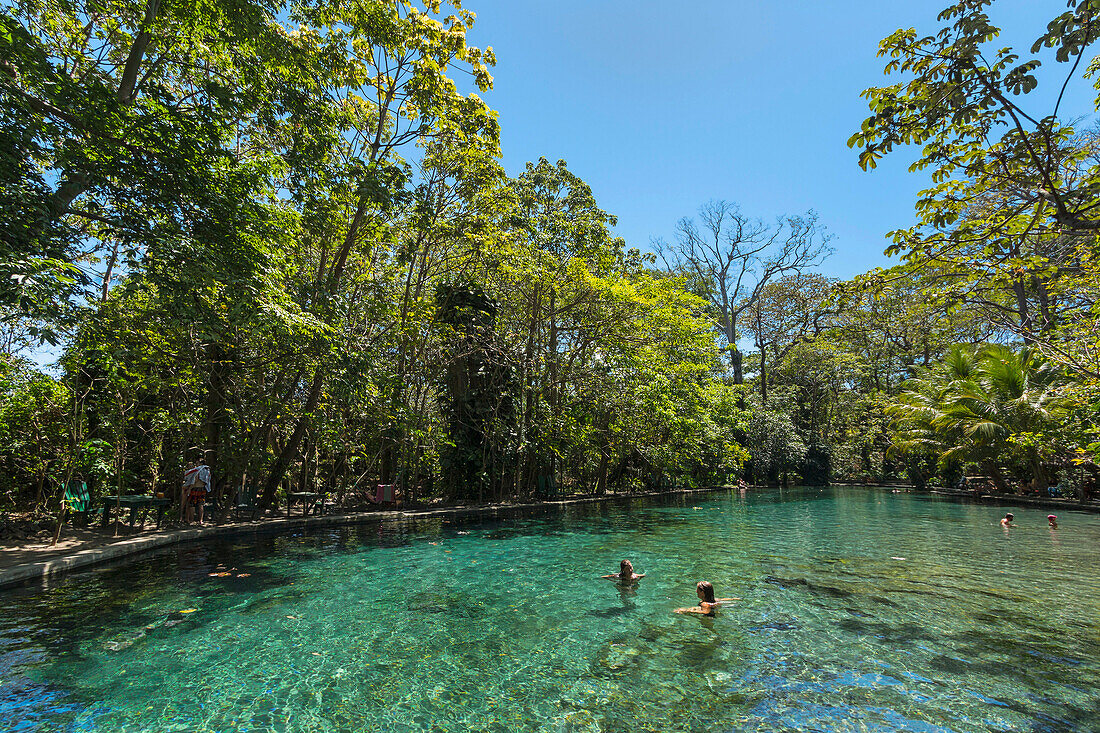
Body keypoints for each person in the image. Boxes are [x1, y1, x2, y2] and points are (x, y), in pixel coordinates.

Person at [674, 581, 739, 616]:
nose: (696, 592)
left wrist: (686, 611)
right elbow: (724, 600)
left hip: (708, 618)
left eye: (698, 590)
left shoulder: (705, 604)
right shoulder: (714, 600)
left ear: (702, 592)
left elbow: (705, 612)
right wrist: (735, 599)